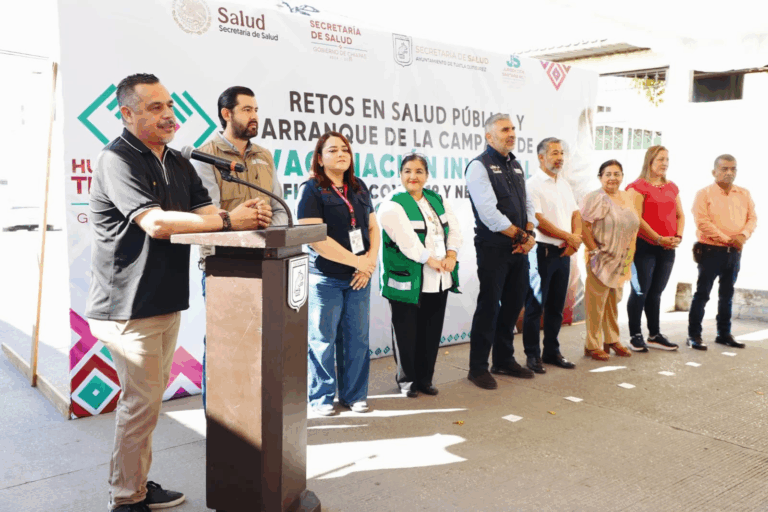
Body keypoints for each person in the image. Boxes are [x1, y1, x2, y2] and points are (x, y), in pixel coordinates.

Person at [86, 74, 264, 512]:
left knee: (147, 404)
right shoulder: (117, 159)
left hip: (164, 299)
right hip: (126, 305)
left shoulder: (180, 160)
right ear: (127, 114)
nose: (168, 114)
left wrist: (237, 216)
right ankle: (126, 498)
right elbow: (157, 223)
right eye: (154, 107)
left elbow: (205, 211)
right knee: (140, 406)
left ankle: (137, 484)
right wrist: (227, 222)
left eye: (169, 105)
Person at [191, 86, 287, 408]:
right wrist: (241, 224)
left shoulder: (264, 155)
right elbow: (209, 216)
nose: (255, 116)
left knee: (262, 346)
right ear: (226, 114)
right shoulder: (206, 157)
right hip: (225, 268)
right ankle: (216, 421)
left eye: (256, 109)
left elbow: (279, 209)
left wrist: (266, 233)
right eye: (247, 109)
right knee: (223, 347)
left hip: (267, 265)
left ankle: (253, 417)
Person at [297, 131, 379, 415]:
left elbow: (372, 228)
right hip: (326, 278)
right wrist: (359, 263)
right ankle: (320, 398)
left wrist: (369, 263)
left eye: (345, 149)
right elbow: (315, 238)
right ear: (320, 158)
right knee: (323, 340)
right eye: (332, 150)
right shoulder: (311, 189)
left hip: (360, 277)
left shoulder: (359, 187)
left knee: (357, 339)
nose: (341, 154)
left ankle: (354, 395)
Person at [378, 154, 463, 397]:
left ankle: (426, 379)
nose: (413, 176)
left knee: (431, 331)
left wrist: (452, 254)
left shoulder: (436, 199)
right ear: (400, 174)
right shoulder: (392, 204)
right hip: (408, 280)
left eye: (418, 171)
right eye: (407, 171)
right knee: (406, 333)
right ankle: (407, 381)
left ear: (427, 175)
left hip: (439, 279)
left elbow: (454, 229)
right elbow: (408, 243)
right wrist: (434, 260)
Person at [465, 113, 538, 390]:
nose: (511, 133)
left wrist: (528, 235)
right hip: (494, 248)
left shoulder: (516, 165)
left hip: (519, 248)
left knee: (512, 305)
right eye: (505, 129)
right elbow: (489, 214)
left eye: (512, 129)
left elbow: (528, 204)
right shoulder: (478, 166)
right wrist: (522, 236)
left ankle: (504, 359)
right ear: (489, 136)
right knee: (489, 307)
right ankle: (478, 367)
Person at [687, 154, 757, 350]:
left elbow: (752, 218)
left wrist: (742, 235)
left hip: (734, 253)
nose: (729, 172)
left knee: (727, 294)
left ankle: (724, 334)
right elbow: (702, 222)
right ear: (714, 172)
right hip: (710, 250)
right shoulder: (704, 193)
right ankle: (694, 335)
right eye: (724, 169)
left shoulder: (744, 193)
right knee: (702, 294)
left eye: (733, 169)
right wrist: (729, 240)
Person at [523, 138, 580, 374]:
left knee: (557, 307)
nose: (560, 158)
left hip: (564, 252)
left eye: (562, 153)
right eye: (555, 153)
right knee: (536, 307)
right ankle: (532, 356)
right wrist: (570, 237)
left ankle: (551, 352)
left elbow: (575, 213)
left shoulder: (563, 184)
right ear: (541, 157)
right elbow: (538, 221)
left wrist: (574, 239)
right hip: (542, 252)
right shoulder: (533, 184)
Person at [580, 160, 641, 361]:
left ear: (622, 176)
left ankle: (612, 340)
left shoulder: (627, 197)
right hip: (600, 258)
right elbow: (584, 226)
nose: (613, 178)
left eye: (617, 174)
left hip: (622, 259)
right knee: (596, 304)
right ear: (600, 177)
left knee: (614, 302)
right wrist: (594, 250)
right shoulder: (594, 198)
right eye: (608, 174)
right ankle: (592, 344)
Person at [625, 146, 684, 352]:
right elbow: (636, 219)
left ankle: (654, 334)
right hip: (645, 246)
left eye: (667, 159)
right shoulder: (637, 187)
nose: (665, 163)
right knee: (640, 290)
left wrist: (678, 237)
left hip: (668, 247)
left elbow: (680, 215)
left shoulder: (671, 187)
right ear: (649, 161)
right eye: (660, 159)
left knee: (656, 292)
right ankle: (635, 335)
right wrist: (658, 238)